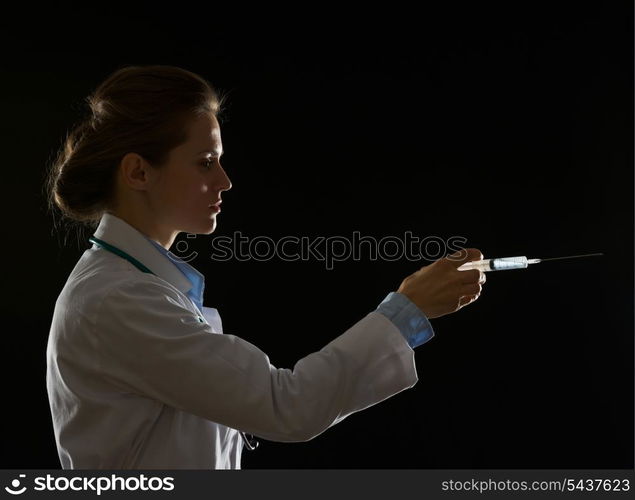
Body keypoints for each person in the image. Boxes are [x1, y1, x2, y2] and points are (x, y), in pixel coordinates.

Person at [45, 65, 486, 469]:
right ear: (139, 173)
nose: (224, 181)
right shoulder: (117, 300)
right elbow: (285, 407)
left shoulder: (134, 287)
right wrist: (409, 310)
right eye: (205, 162)